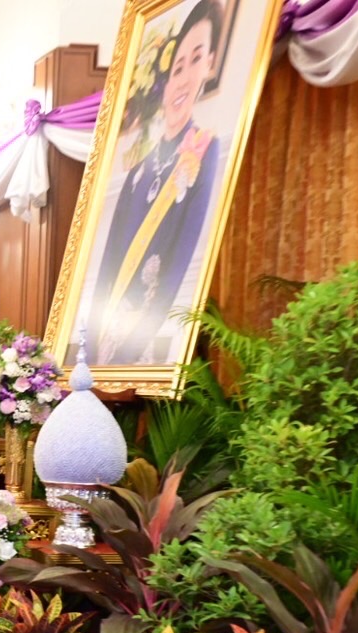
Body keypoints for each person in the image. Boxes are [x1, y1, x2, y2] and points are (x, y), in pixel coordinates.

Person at [89, 0, 225, 366]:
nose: (183, 78)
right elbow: (108, 264)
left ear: (210, 65)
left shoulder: (204, 151)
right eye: (177, 66)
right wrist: (89, 346)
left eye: (196, 60)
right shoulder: (137, 169)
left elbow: (178, 265)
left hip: (145, 346)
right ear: (163, 82)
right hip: (104, 345)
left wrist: (131, 351)